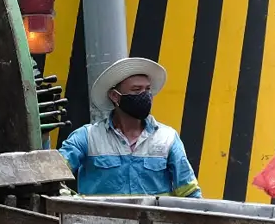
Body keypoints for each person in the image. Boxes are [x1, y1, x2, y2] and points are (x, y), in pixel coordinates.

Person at [58, 58, 202, 198]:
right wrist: (71, 202)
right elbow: (52, 176)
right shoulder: (87, 137)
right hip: (101, 222)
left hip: (153, 222)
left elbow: (189, 192)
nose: (145, 95)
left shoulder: (167, 138)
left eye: (148, 89)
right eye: (136, 90)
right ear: (115, 96)